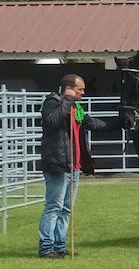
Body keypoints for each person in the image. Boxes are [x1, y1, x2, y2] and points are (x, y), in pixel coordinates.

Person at [38, 73, 107, 259]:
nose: (83, 93)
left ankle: (59, 246)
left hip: (73, 166)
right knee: (54, 206)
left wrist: (117, 124)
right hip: (58, 165)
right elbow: (52, 122)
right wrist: (67, 99)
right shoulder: (52, 102)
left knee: (66, 208)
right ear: (68, 88)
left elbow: (90, 123)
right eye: (80, 89)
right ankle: (46, 247)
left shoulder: (76, 107)